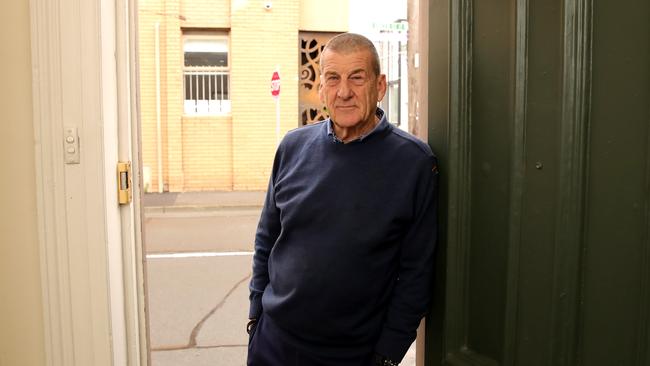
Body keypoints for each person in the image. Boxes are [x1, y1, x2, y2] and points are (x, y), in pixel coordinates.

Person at [247, 32, 438, 366]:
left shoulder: (414, 163)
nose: (344, 91)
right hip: (273, 344)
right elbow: (267, 238)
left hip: (352, 355)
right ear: (321, 87)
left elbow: (417, 272)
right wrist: (255, 316)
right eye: (333, 79)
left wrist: (388, 354)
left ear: (379, 86)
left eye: (357, 78)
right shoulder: (292, 147)